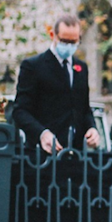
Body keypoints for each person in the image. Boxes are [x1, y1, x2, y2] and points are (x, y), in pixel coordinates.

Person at [13, 15, 101, 153]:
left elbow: (84, 108)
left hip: (75, 154)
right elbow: (20, 111)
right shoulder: (33, 66)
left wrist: (92, 128)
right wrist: (42, 133)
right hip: (42, 154)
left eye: (74, 41)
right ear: (53, 35)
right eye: (64, 41)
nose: (69, 46)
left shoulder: (81, 67)